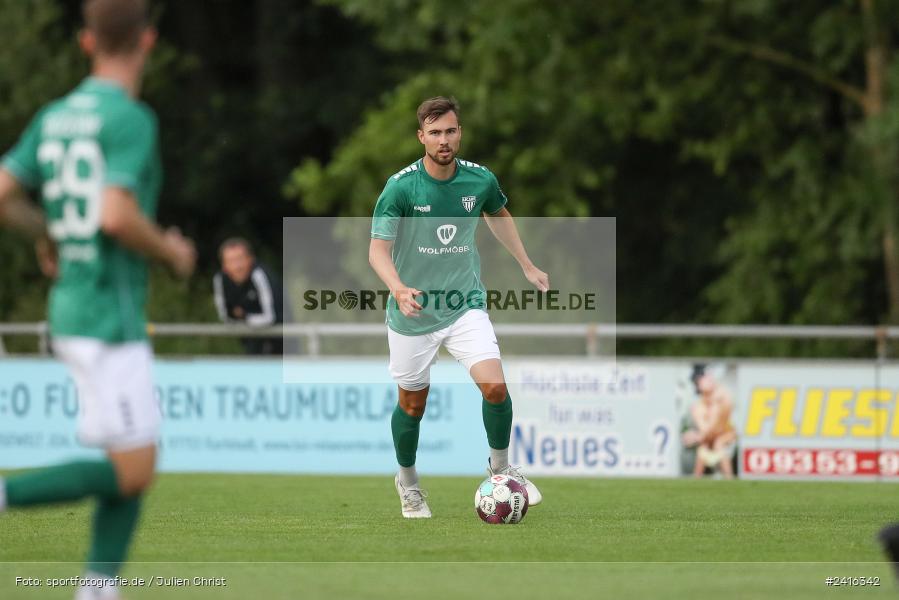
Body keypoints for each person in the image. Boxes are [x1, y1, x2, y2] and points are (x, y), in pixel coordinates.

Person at [0, 2, 196, 598]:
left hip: (73, 308)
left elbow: (4, 193)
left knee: (128, 465)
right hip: (107, 316)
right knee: (136, 467)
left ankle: (97, 589)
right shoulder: (130, 118)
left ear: (86, 42)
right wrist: (171, 252)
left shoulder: (55, 115)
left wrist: (50, 233)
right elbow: (115, 215)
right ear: (148, 41)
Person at [369, 96, 546, 518]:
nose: (443, 140)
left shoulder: (479, 180)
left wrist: (526, 264)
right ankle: (408, 484)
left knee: (496, 389)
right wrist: (397, 287)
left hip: (464, 303)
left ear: (459, 132)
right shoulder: (401, 187)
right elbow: (377, 250)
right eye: (434, 133)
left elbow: (498, 216)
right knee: (413, 405)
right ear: (421, 137)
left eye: (450, 131)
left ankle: (502, 474)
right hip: (413, 314)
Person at [213, 237, 285, 355]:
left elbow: (271, 317)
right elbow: (225, 316)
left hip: (281, 338)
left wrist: (244, 317)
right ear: (224, 266)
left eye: (240, 259)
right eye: (231, 261)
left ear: (251, 259)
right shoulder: (220, 280)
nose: (237, 266)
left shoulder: (260, 275)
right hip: (251, 339)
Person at [687, 365, 737, 479]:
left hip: (727, 435)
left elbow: (717, 424)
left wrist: (697, 436)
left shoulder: (722, 395)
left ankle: (730, 480)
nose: (709, 379)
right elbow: (706, 429)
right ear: (698, 385)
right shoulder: (698, 407)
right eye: (703, 378)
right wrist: (699, 436)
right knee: (703, 448)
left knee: (719, 443)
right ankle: (696, 481)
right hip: (710, 439)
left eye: (708, 377)